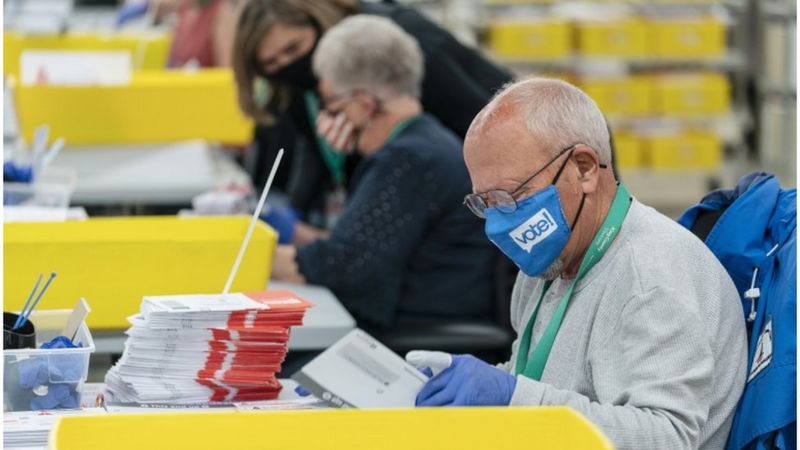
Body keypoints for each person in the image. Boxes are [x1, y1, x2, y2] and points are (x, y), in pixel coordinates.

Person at [407, 78, 748, 450]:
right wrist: (469, 387)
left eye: (510, 197)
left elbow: (668, 436)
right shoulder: (550, 261)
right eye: (485, 203)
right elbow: (539, 380)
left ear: (584, 168)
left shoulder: (651, 273)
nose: (497, 224)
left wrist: (511, 395)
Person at [270, 15, 495, 330]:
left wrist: (252, 255)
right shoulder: (429, 141)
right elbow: (358, 245)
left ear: (363, 104)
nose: (330, 120)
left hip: (421, 330)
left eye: (334, 108)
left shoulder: (406, 160)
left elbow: (346, 268)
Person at [232, 0, 513, 231]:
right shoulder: (298, 86)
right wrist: (291, 217)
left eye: (293, 49)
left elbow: (484, 123)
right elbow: (314, 146)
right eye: (271, 62)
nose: (287, 64)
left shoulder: (401, 42)